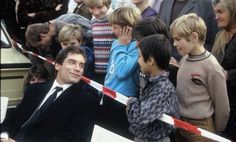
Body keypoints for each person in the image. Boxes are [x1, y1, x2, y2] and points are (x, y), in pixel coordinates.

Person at [0, 46, 99, 142]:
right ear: (57, 65)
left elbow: (72, 139)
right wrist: (4, 136)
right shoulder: (34, 89)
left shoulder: (86, 101)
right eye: (72, 62)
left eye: (81, 65)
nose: (78, 69)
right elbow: (13, 116)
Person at [170, 13, 230, 142]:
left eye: (178, 39)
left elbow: (222, 105)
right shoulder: (184, 59)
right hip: (180, 123)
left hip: (202, 128)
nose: (174, 44)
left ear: (194, 37)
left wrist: (217, 131)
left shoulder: (211, 66)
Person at [126, 34, 179, 142]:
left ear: (150, 60)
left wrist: (132, 102)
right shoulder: (155, 82)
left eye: (139, 56)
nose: (137, 61)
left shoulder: (163, 88)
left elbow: (139, 118)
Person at [212, 0, 236, 140]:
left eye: (220, 12)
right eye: (215, 12)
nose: (216, 17)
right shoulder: (219, 36)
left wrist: (228, 75)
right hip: (222, 105)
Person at [105, 6, 141, 97]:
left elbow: (122, 72)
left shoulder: (136, 47)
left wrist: (122, 46)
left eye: (115, 27)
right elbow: (111, 69)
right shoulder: (116, 43)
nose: (112, 30)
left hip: (123, 96)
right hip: (108, 92)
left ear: (128, 29)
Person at [84, 0, 116, 83]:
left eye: (99, 7)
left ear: (108, 4)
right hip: (98, 69)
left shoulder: (116, 19)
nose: (96, 12)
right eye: (91, 8)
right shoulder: (93, 20)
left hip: (114, 71)